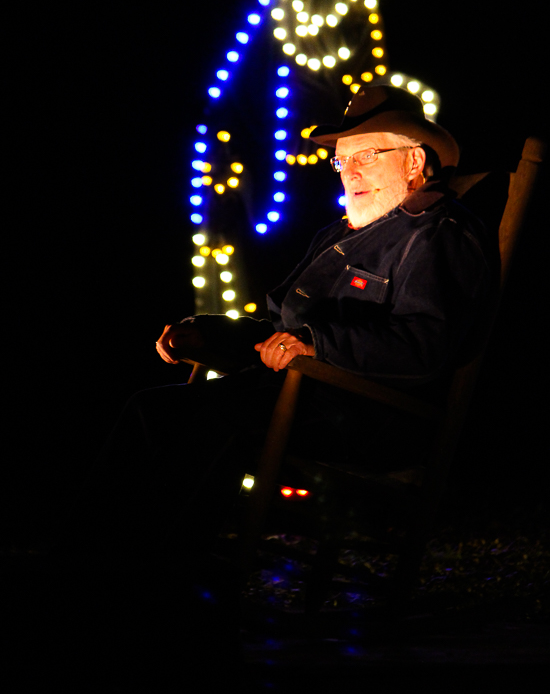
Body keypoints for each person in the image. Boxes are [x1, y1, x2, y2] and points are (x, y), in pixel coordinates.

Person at [62, 84, 494, 568]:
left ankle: (152, 571)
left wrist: (317, 345)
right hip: (300, 395)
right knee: (152, 406)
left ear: (414, 162)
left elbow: (425, 345)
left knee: (194, 418)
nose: (348, 172)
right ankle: (95, 559)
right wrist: (208, 334)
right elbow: (276, 331)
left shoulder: (438, 235)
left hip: (368, 415)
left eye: (366, 154)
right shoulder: (338, 234)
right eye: (342, 160)